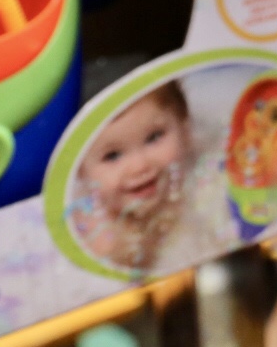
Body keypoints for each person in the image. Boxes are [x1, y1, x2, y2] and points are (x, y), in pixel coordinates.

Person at [70, 81, 229, 274]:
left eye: (154, 137)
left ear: (185, 130)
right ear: (80, 171)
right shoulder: (95, 227)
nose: (140, 166)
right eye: (112, 156)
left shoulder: (210, 174)